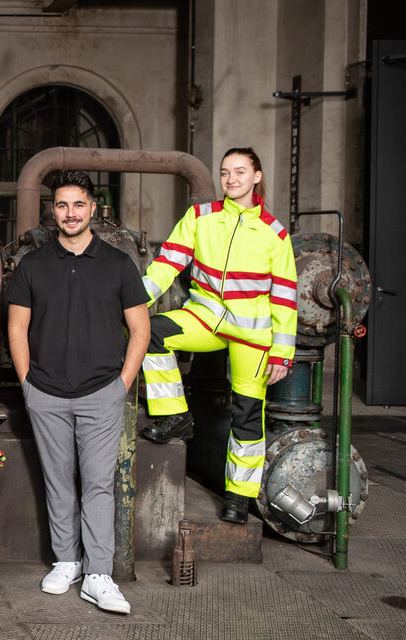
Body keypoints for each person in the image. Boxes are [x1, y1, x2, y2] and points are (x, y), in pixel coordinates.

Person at [6, 170, 150, 615]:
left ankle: (99, 574)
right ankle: (66, 561)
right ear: (53, 209)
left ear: (93, 209)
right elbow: (16, 327)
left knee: (98, 485)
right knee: (57, 483)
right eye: (62, 205)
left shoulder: (118, 264)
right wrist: (28, 383)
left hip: (101, 393)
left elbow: (140, 329)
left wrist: (121, 385)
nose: (70, 213)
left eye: (78, 205)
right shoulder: (32, 265)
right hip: (45, 392)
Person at [138, 148, 298, 524]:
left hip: (252, 334)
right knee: (150, 332)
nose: (231, 179)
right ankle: (175, 414)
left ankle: (239, 498)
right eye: (225, 173)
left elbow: (286, 297)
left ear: (256, 176)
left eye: (240, 172)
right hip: (206, 317)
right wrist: (134, 300)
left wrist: (282, 353)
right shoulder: (200, 217)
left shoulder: (275, 235)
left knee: (246, 416)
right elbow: (167, 264)